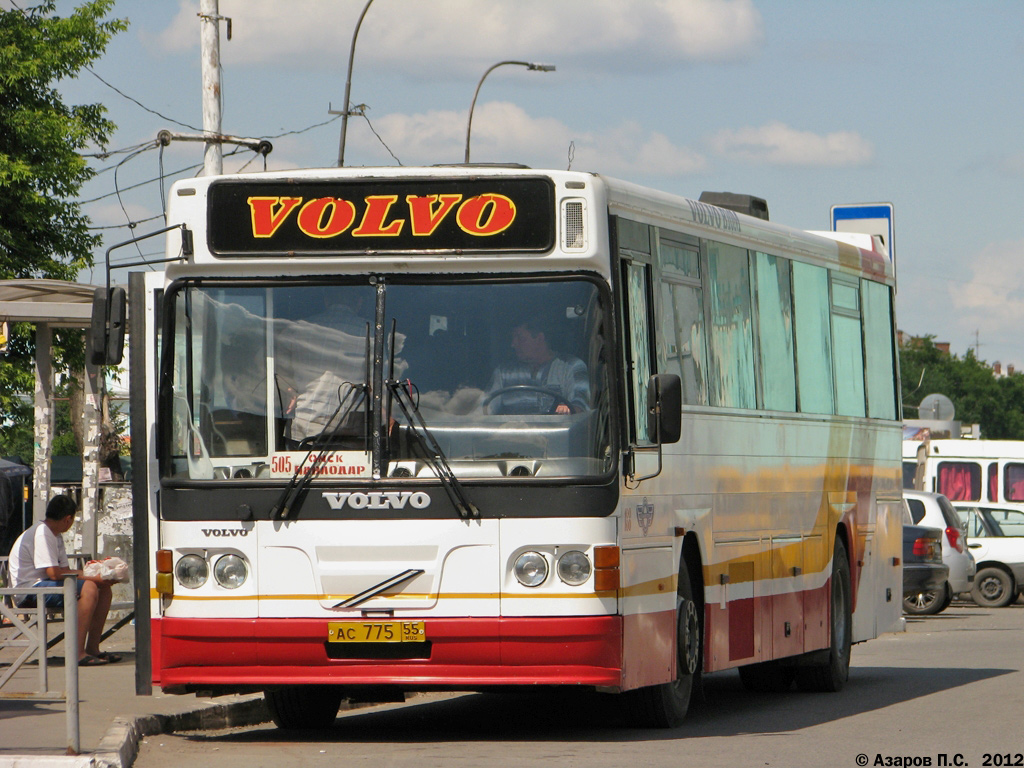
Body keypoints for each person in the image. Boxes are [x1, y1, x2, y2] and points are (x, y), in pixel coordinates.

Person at [8, 495, 119, 666]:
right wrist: (91, 577)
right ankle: (77, 652)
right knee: (89, 587)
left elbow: (65, 571)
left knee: (102, 587)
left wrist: (97, 575)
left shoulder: (55, 535)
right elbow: (54, 573)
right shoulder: (42, 533)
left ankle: (92, 648)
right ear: (68, 519)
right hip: (29, 590)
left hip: (44, 585)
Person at [487, 319, 590, 415]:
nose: (513, 344)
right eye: (513, 338)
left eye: (520, 338)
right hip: (513, 433)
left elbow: (580, 405)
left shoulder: (571, 367)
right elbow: (485, 408)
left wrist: (566, 410)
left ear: (540, 338)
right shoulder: (503, 372)